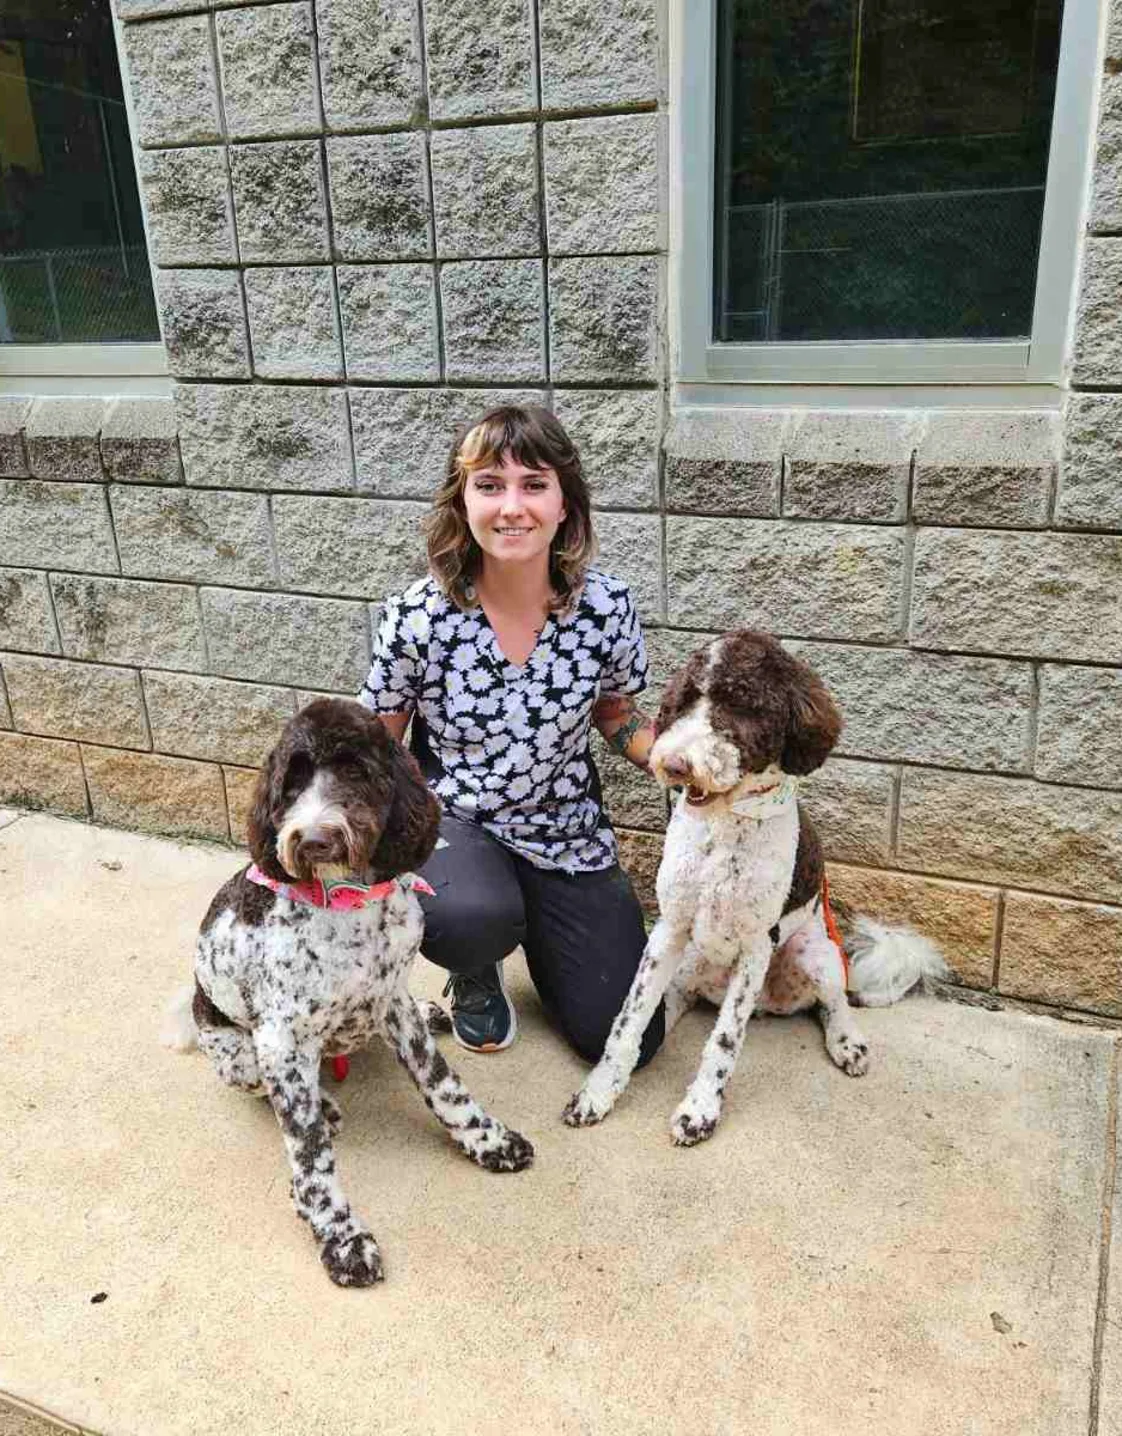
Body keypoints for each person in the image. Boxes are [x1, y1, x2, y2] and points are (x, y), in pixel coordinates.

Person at [358, 404, 665, 1068]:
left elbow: (615, 715)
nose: (512, 506)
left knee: (631, 1040)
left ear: (564, 505)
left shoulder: (607, 607)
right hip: (454, 821)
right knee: (470, 916)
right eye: (489, 485)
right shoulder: (418, 615)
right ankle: (476, 963)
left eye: (534, 484)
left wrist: (673, 759)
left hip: (565, 829)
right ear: (462, 502)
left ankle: (542, 926)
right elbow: (378, 747)